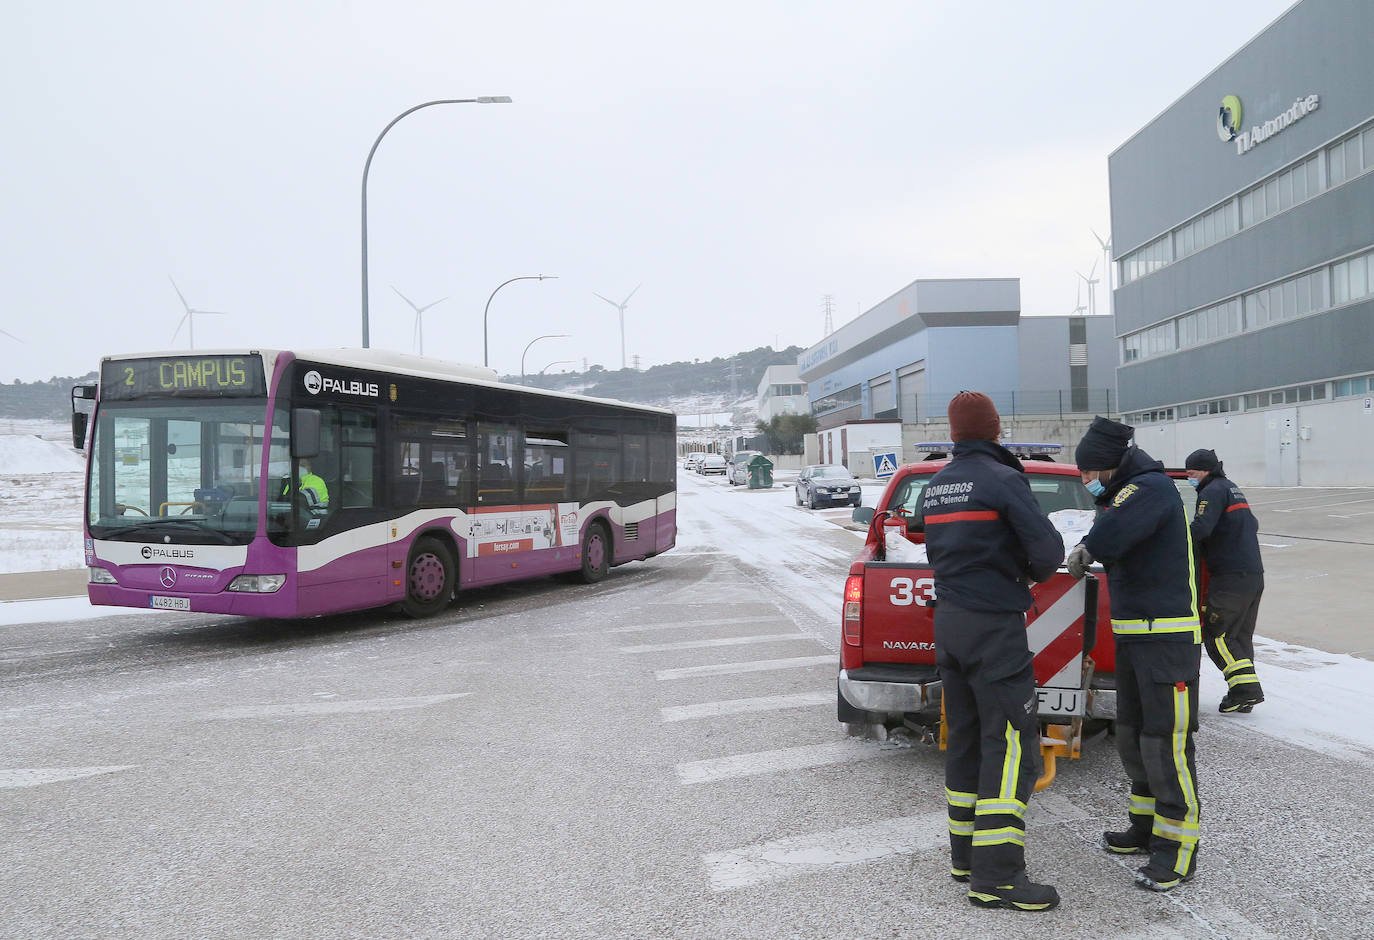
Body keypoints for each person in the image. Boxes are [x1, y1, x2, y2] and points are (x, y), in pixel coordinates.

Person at [921, 391, 1065, 912]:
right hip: (993, 626)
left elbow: (928, 541)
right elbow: (1049, 553)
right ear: (996, 430)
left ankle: (966, 859)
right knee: (1009, 743)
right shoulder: (1004, 479)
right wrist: (1026, 571)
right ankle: (999, 877)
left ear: (955, 434)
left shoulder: (935, 486)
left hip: (951, 624)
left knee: (964, 740)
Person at [1066, 417, 1201, 892]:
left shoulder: (1149, 489)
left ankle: (1176, 850)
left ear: (1111, 464)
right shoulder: (1127, 490)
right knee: (1135, 738)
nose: (1086, 481)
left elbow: (1115, 534)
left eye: (1089, 473)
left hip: (1167, 641)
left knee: (1167, 746)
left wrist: (1086, 547)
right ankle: (1144, 829)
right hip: (1136, 636)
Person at [1185, 448, 1264, 713]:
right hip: (1252, 576)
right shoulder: (1231, 488)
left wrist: (1174, 538)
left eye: (1192, 472)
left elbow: (1201, 529)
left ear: (1205, 470)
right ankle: (1242, 694)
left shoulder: (1211, 492)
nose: (1189, 477)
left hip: (1229, 577)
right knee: (1238, 638)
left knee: (1217, 634)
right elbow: (1252, 524)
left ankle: (1246, 690)